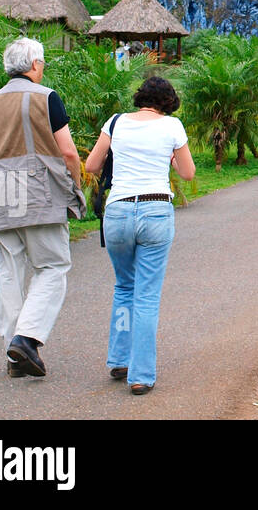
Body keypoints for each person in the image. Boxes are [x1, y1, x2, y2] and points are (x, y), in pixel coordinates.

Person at [0, 37, 85, 380]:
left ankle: (15, 357)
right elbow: (70, 153)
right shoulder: (46, 98)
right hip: (38, 194)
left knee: (9, 275)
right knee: (52, 266)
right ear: (34, 65)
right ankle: (26, 339)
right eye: (42, 64)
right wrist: (73, 187)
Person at [84, 76, 195, 395]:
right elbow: (187, 173)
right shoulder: (172, 127)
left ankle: (119, 359)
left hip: (118, 212)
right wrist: (170, 159)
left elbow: (92, 165)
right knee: (146, 294)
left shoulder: (116, 122)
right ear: (169, 102)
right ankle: (141, 375)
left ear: (141, 97)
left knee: (124, 286)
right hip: (155, 211)